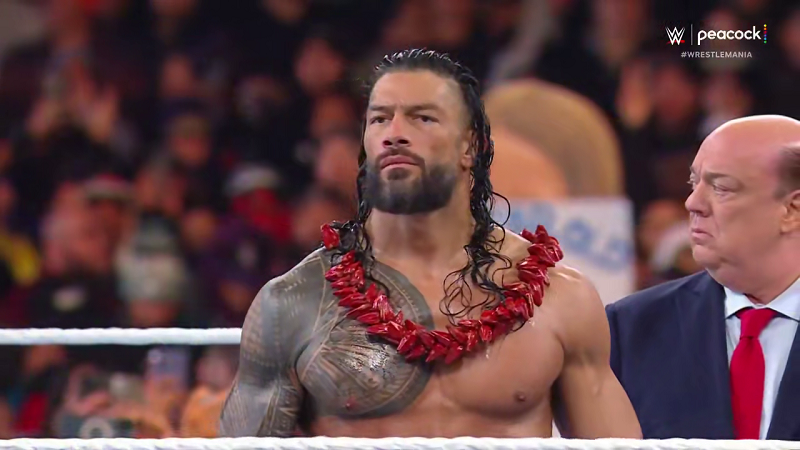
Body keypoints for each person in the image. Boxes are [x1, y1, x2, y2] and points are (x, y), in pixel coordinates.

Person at [219, 49, 641, 439]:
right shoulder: (293, 303)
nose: (394, 134)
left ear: (470, 146)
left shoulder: (559, 298)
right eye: (380, 119)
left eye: (422, 118)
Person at [607, 115, 800, 440]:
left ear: (792, 210)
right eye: (693, 183)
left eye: (721, 188)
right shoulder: (631, 328)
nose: (692, 203)